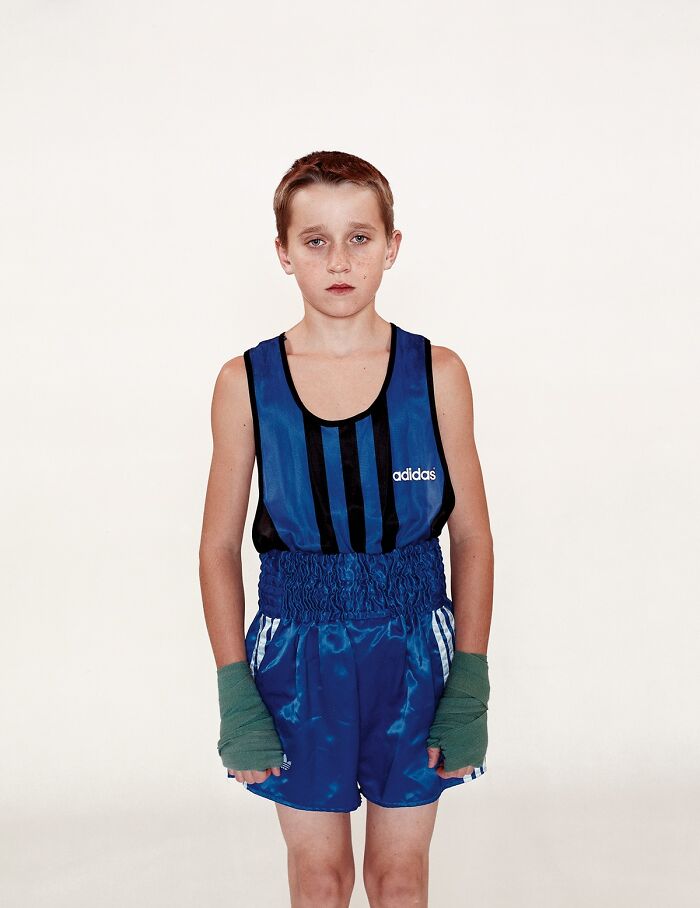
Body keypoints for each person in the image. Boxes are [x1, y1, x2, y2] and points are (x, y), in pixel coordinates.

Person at [199, 150, 494, 908]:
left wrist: (469, 681)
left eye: (360, 238)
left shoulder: (438, 374)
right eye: (316, 240)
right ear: (284, 253)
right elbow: (217, 548)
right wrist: (235, 688)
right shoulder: (246, 381)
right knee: (320, 880)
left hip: (412, 651)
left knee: (400, 881)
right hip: (298, 650)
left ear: (393, 247)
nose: (339, 260)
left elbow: (471, 538)